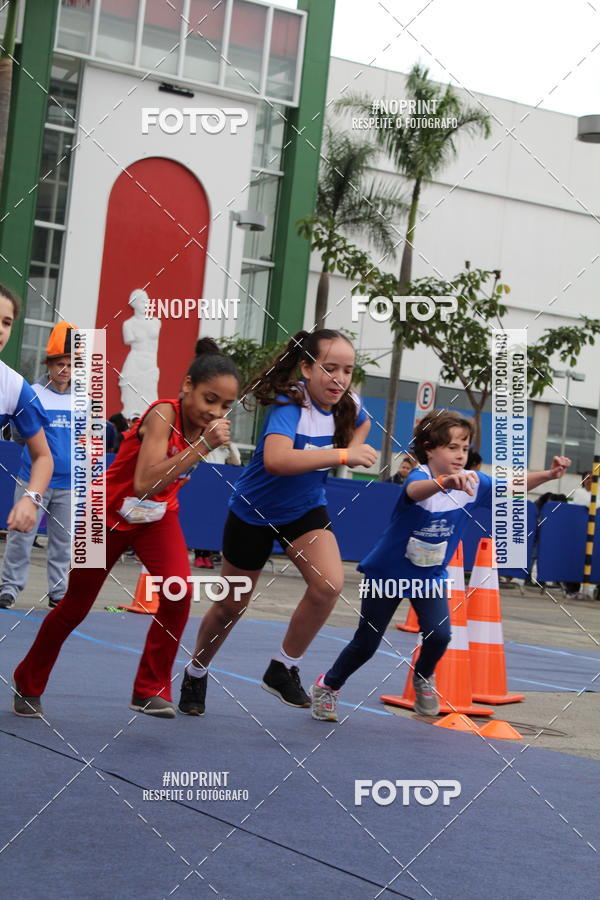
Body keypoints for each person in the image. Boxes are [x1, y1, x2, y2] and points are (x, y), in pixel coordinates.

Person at [12, 338, 239, 719]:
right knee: (73, 608)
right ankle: (27, 681)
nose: (214, 411)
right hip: (104, 517)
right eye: (209, 399)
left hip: (156, 519)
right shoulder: (163, 415)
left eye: (225, 406)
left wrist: (201, 445)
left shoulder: (201, 428)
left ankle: (149, 689)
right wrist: (201, 447)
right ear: (187, 387)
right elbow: (143, 482)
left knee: (179, 592)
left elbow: (159, 491)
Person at [310, 410, 571, 722]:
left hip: (429, 577)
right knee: (366, 643)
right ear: (430, 448)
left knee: (441, 635)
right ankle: (327, 686)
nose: (460, 455)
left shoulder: (474, 483)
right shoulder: (419, 477)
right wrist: (445, 482)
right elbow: (413, 491)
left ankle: (423, 678)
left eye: (464, 448)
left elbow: (512, 484)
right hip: (387, 573)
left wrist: (549, 475)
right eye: (452, 448)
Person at [178, 329, 377, 716]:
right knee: (231, 606)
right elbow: (277, 460)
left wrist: (351, 445)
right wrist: (342, 455)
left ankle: (282, 667)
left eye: (348, 370)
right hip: (252, 513)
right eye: (330, 368)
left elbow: (362, 425)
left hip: (304, 511)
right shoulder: (290, 403)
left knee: (329, 585)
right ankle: (196, 670)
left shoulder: (349, 405)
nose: (339, 378)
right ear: (306, 367)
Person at [0, 322, 75, 610]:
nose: (64, 369)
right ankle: (9, 588)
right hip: (31, 480)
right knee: (20, 537)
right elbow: (21, 435)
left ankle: (58, 593)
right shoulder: (30, 392)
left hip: (69, 486)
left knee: (62, 543)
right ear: (49, 364)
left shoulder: (86, 400)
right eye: (59, 363)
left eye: (70, 364)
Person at [0, 285, 53, 537]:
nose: (1, 329)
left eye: (7, 322)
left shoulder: (13, 386)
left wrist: (31, 498)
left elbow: (43, 456)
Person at [194, 439, 242, 569]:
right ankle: (199, 555)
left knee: (212, 520)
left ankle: (207, 555)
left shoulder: (225, 448)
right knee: (202, 519)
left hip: (217, 486)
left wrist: (231, 445)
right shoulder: (205, 443)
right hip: (204, 483)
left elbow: (237, 462)